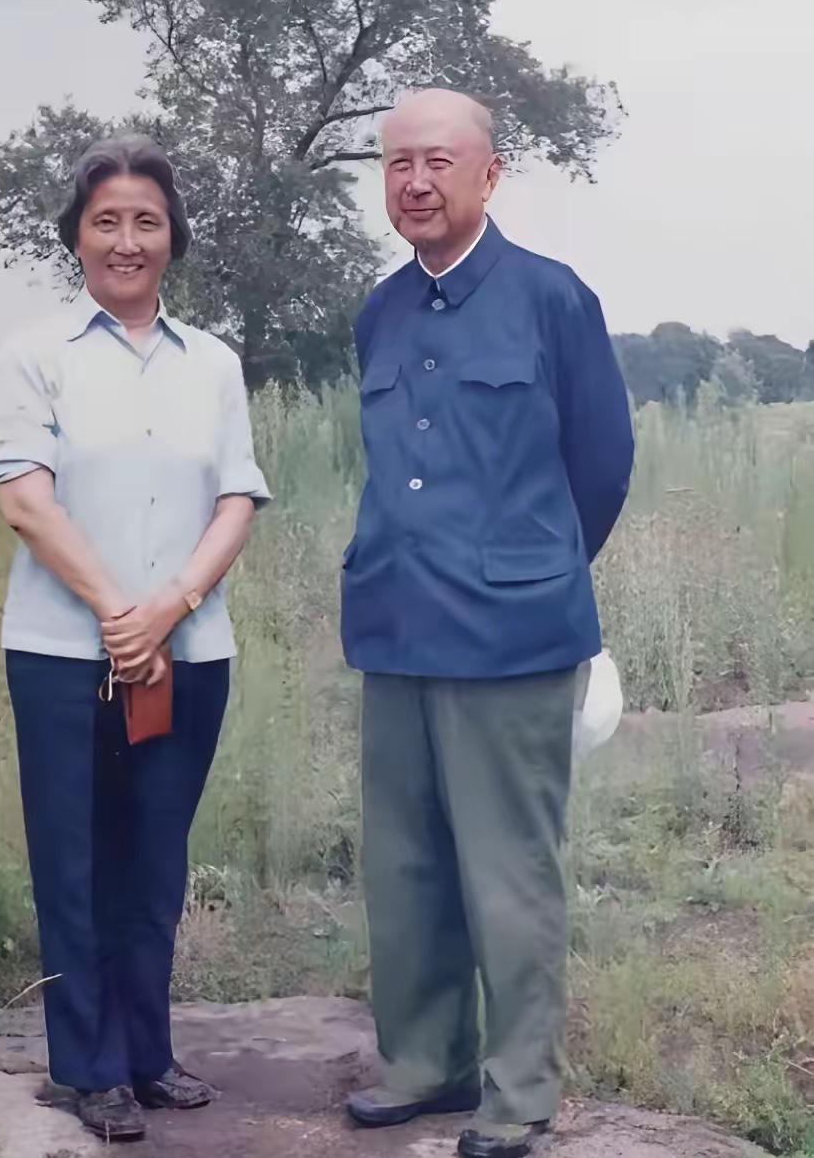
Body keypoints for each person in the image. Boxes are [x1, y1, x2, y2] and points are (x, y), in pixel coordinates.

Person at [341, 89, 634, 1158]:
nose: (416, 183)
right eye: (397, 164)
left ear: (489, 173)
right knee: (405, 868)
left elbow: (600, 464)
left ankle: (517, 1095)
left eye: (438, 162)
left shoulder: (553, 299)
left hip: (512, 639)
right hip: (395, 625)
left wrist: (530, 569)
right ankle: (428, 1062)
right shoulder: (380, 312)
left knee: (508, 877)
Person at [0, 134, 270, 1143]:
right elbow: (26, 500)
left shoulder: (214, 364)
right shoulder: (34, 356)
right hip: (63, 658)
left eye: (147, 220)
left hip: (190, 654)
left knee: (155, 859)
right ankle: (89, 1068)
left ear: (172, 235)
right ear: (77, 236)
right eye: (107, 221)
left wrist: (169, 609)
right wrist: (120, 614)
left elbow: (237, 498)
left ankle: (148, 1052)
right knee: (76, 862)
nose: (127, 240)